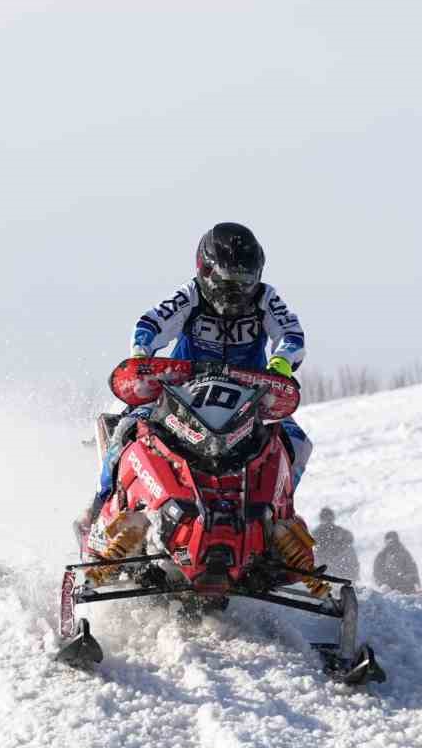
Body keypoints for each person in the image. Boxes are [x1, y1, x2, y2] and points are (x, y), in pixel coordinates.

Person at [83, 224, 319, 588]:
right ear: (206, 271)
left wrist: (281, 363)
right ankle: (99, 507)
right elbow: (151, 322)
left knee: (296, 442)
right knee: (128, 429)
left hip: (246, 398)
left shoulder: (265, 299)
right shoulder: (190, 296)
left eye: (244, 281)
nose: (236, 291)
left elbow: (291, 334)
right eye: (228, 282)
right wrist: (142, 354)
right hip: (182, 393)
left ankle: (276, 524)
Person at [312, 507, 360, 579]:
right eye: (325, 518)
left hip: (340, 566)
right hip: (324, 566)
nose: (327, 521)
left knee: (349, 551)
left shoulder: (340, 532)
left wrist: (339, 546)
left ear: (332, 518)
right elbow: (314, 552)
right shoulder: (316, 533)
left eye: (329, 518)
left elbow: (349, 539)